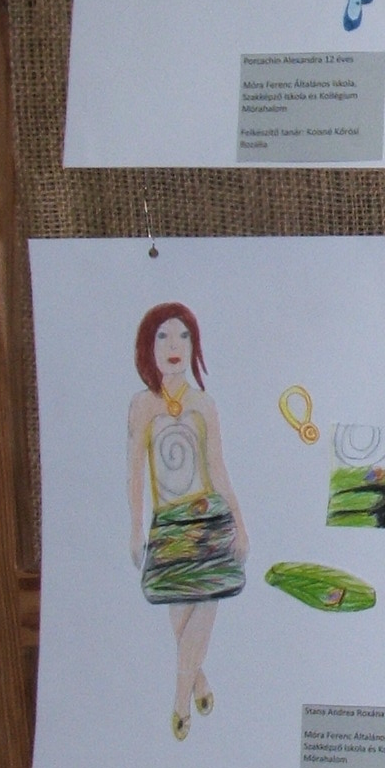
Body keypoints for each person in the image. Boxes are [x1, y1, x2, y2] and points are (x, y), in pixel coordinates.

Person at [127, 303, 248, 739]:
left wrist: (239, 523)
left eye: (183, 336)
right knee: (179, 612)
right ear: (148, 346)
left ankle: (180, 701)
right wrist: (136, 527)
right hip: (168, 525)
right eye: (163, 336)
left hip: (208, 517)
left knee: (207, 602)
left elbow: (217, 467)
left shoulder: (203, 404)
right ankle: (197, 679)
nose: (173, 346)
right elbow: (135, 471)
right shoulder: (142, 405)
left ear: (194, 345)